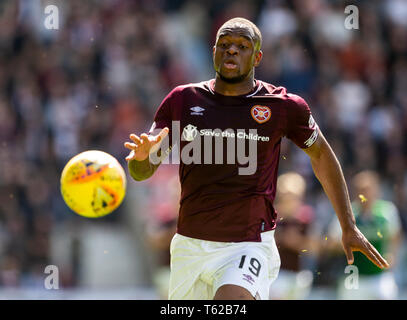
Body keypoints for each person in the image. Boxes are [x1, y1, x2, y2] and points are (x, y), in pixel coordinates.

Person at [124, 17, 389, 300]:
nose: (232, 51)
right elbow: (141, 172)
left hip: (247, 245)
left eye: (242, 45)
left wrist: (348, 226)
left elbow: (322, 155)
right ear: (213, 51)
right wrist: (142, 157)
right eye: (224, 44)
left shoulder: (283, 106)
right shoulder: (182, 100)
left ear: (257, 56)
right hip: (190, 245)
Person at [327, 170, 402, 299]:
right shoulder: (347, 213)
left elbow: (395, 235)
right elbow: (331, 243)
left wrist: (392, 255)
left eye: (368, 189)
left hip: (380, 276)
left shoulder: (387, 211)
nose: (365, 194)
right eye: (360, 189)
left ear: (377, 190)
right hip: (354, 277)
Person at [269, 172, 316, 300]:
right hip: (276, 275)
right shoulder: (272, 216)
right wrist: (280, 239)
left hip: (298, 274)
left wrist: (296, 242)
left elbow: (314, 248)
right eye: (286, 196)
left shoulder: (305, 217)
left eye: (293, 196)